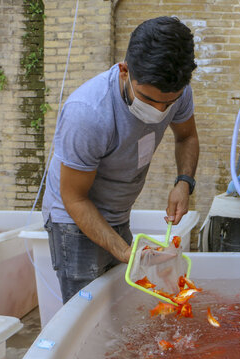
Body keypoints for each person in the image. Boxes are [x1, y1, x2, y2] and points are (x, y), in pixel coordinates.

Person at [42, 16, 199, 303]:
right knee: (86, 309)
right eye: (148, 99)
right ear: (124, 71)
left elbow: (186, 136)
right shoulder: (88, 114)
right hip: (73, 219)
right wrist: (125, 251)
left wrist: (184, 182)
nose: (160, 110)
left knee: (120, 301)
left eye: (169, 102)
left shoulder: (178, 92)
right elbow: (74, 198)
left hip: (118, 212)